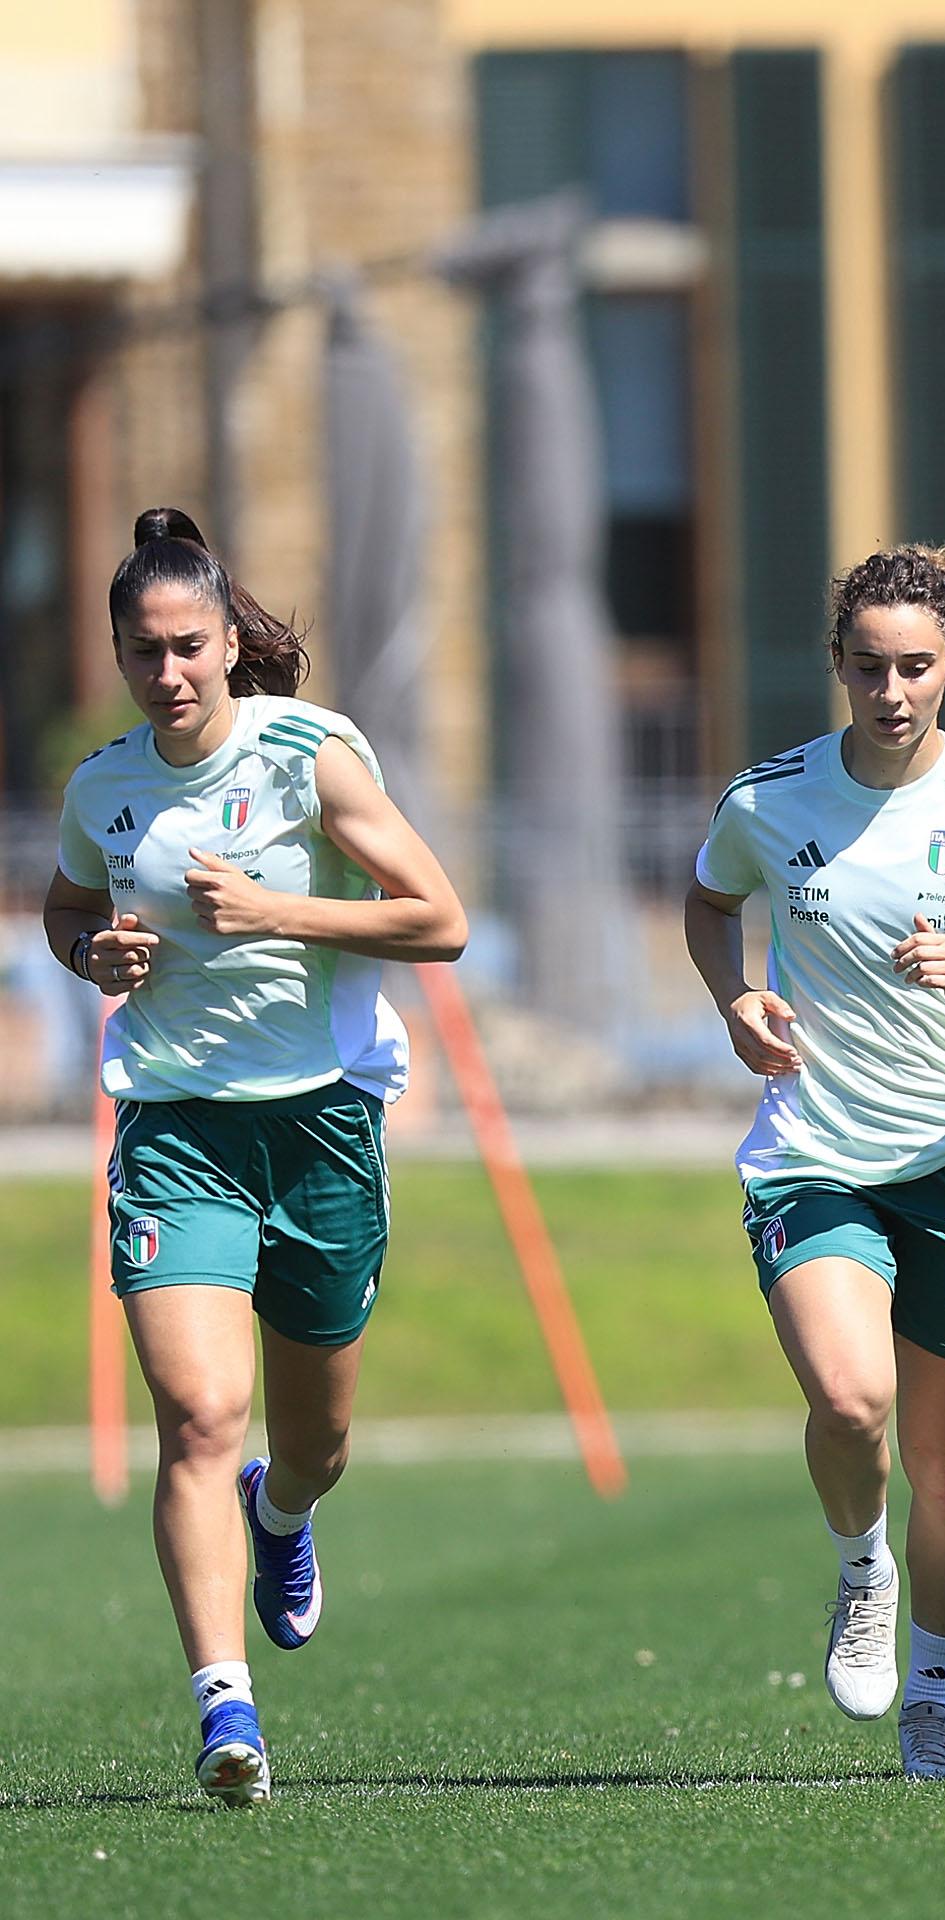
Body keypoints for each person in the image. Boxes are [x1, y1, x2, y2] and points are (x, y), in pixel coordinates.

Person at [43, 506, 469, 1806]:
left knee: (312, 1441)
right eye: (140, 652)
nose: (166, 674)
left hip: (323, 1122)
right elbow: (68, 907)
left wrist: (278, 909)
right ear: (118, 656)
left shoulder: (313, 755)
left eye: (185, 645)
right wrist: (91, 952)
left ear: (230, 641)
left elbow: (437, 919)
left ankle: (281, 1517)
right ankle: (226, 1708)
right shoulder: (105, 788)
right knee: (198, 1415)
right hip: (175, 1128)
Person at [685, 544, 945, 1781]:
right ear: (839, 668)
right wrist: (735, 998)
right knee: (853, 1399)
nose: (892, 690)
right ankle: (861, 1565)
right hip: (815, 1154)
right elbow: (710, 902)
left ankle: (933, 1693)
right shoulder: (768, 799)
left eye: (917, 666)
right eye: (869, 667)